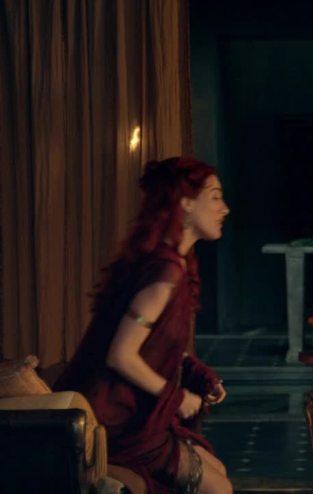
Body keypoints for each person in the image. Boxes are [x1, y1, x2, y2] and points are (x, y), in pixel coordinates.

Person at [54, 157, 233, 494]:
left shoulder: (174, 264)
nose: (224, 208)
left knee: (219, 473)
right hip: (115, 419)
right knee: (218, 488)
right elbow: (121, 355)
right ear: (185, 202)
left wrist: (199, 375)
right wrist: (176, 397)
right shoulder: (165, 270)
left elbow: (154, 346)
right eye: (214, 197)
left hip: (136, 414)